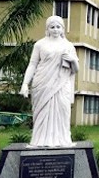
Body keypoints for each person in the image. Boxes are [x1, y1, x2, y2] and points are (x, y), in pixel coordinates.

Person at [20, 15, 79, 147]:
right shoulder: (40, 44)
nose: (55, 30)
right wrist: (25, 84)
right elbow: (32, 64)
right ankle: (40, 140)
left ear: (62, 29)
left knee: (63, 111)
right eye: (52, 27)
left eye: (58, 27)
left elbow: (75, 70)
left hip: (62, 84)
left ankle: (62, 139)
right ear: (47, 29)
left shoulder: (68, 46)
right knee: (42, 113)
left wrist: (73, 59)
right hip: (42, 83)